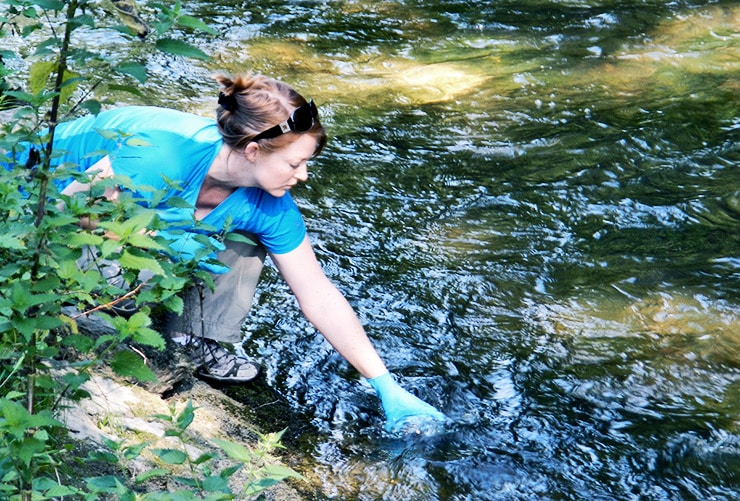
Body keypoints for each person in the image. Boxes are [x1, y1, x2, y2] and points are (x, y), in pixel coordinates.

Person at [11, 74, 446, 433]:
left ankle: (191, 338)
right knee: (93, 276)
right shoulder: (159, 153)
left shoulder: (272, 205)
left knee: (247, 235)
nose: (304, 175)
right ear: (253, 150)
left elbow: (317, 293)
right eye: (295, 163)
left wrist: (386, 386)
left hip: (136, 223)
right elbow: (60, 219)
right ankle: (79, 310)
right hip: (27, 186)